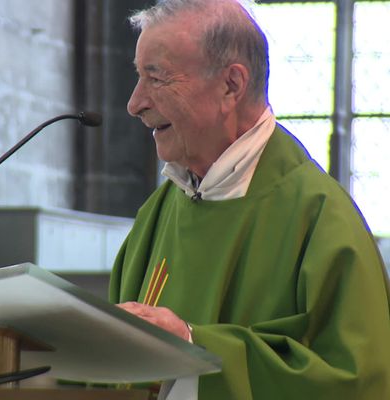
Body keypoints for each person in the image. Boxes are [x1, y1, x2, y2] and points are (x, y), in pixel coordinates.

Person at [111, 0, 390, 399]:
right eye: (139, 77)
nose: (135, 103)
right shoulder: (156, 215)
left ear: (231, 86)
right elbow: (109, 371)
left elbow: (355, 382)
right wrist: (27, 356)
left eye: (157, 79)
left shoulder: (321, 218)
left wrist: (192, 345)